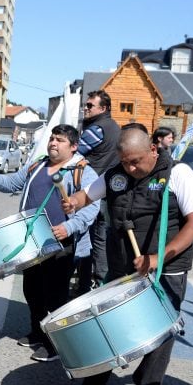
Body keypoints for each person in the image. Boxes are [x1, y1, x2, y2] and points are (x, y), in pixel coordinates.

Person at [62, 128, 193, 385]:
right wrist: (74, 202)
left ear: (154, 149)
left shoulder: (179, 174)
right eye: (125, 161)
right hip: (123, 264)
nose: (131, 168)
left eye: (136, 161)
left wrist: (157, 258)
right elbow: (87, 195)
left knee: (160, 332)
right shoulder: (117, 173)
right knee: (109, 325)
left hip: (167, 267)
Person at [0, 125, 99, 360]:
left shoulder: (83, 171)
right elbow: (13, 184)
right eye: (52, 138)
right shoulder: (37, 165)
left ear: (73, 146)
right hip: (30, 240)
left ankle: (56, 344)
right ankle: (37, 332)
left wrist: (69, 227)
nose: (53, 143)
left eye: (60, 140)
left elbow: (92, 207)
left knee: (55, 296)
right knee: (31, 290)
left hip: (60, 241)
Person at [78, 89, 120, 289]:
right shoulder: (114, 126)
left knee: (86, 238)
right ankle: (99, 281)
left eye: (89, 105)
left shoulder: (96, 128)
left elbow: (72, 152)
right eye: (85, 105)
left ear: (103, 108)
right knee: (100, 239)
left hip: (91, 191)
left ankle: (87, 283)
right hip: (106, 191)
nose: (85, 108)